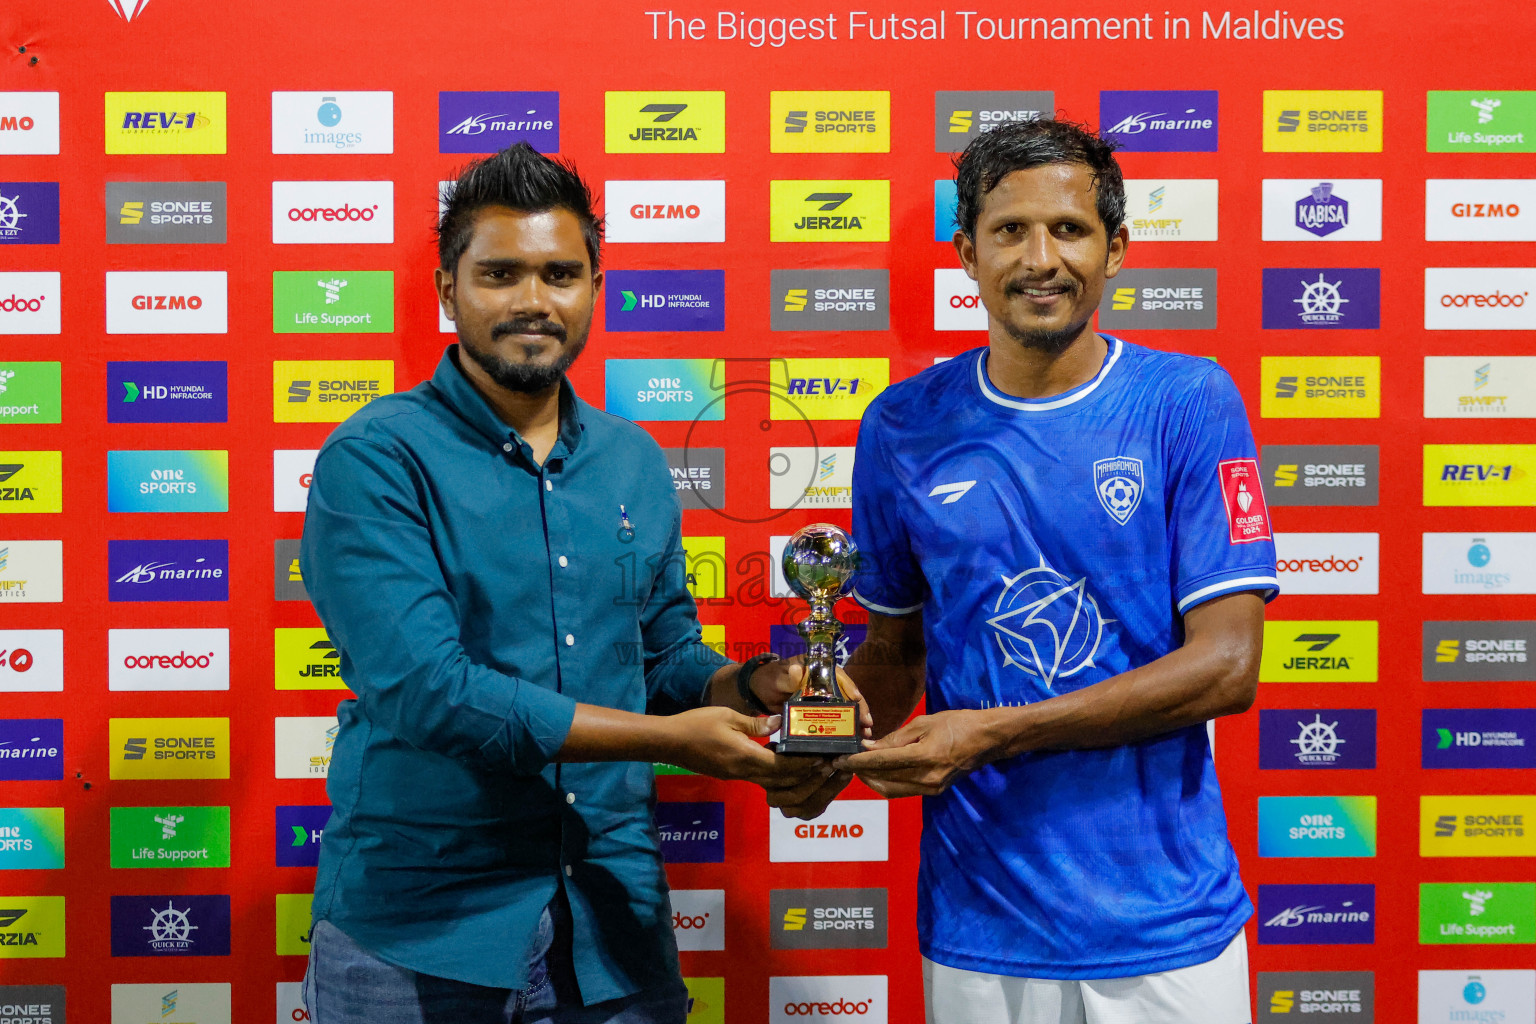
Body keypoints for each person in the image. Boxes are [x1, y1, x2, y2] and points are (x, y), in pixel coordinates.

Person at [297, 143, 858, 1024]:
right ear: (447, 289)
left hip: (612, 932)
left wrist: (761, 687)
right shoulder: (376, 457)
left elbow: (664, 655)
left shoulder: (632, 461)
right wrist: (673, 739)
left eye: (560, 273)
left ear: (596, 286)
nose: (532, 301)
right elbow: (428, 691)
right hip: (424, 930)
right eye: (500, 274)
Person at [835, 118, 1278, 1024]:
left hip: (1165, 921)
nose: (1041, 258)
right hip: (979, 917)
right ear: (965, 251)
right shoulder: (900, 425)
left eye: (1070, 230)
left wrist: (993, 733)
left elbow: (1228, 666)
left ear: (1116, 248)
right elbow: (892, 652)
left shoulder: (1187, 400)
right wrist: (816, 749)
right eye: (1010, 231)